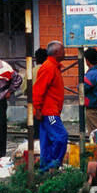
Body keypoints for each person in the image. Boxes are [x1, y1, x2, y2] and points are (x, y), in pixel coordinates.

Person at [32, 41, 67, 170]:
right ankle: (54, 163)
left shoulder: (53, 66)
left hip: (48, 111)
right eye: (63, 50)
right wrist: (38, 109)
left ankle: (45, 166)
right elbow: (38, 90)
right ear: (57, 52)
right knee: (61, 136)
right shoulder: (49, 67)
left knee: (46, 140)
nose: (65, 52)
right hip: (49, 111)